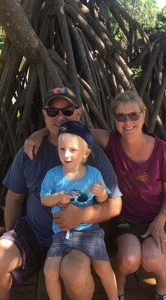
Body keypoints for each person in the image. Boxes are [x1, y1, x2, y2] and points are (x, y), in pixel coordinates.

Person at [25, 90, 166, 300]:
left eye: (134, 115)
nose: (128, 122)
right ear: (114, 120)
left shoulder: (162, 150)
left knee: (153, 259)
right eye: (121, 117)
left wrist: (160, 220)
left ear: (143, 115)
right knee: (129, 259)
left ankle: (162, 280)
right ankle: (119, 289)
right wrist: (40, 133)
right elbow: (70, 131)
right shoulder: (109, 140)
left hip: (157, 218)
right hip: (127, 220)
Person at [0, 87, 122, 300]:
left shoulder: (92, 156)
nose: (60, 117)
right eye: (53, 112)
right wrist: (15, 239)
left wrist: (83, 216)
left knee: (75, 273)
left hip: (77, 235)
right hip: (33, 233)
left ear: (78, 113)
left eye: (67, 110)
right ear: (44, 114)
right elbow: (14, 199)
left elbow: (114, 204)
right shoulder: (30, 151)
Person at [41, 120, 117, 300]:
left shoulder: (94, 174)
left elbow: (104, 199)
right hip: (61, 233)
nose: (66, 154)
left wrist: (100, 194)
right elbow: (44, 199)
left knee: (103, 267)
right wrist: (57, 197)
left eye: (73, 150)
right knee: (50, 271)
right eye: (62, 149)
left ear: (85, 153)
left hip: (89, 231)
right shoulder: (52, 175)